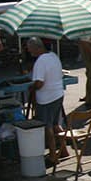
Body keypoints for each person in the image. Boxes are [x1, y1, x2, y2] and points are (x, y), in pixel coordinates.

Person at [26, 36, 67, 164]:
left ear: (37, 48)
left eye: (30, 49)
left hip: (46, 98)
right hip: (58, 93)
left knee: (47, 126)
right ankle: (64, 149)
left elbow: (39, 83)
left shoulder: (40, 61)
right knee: (55, 124)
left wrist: (31, 88)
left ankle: (53, 155)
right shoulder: (53, 56)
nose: (29, 51)